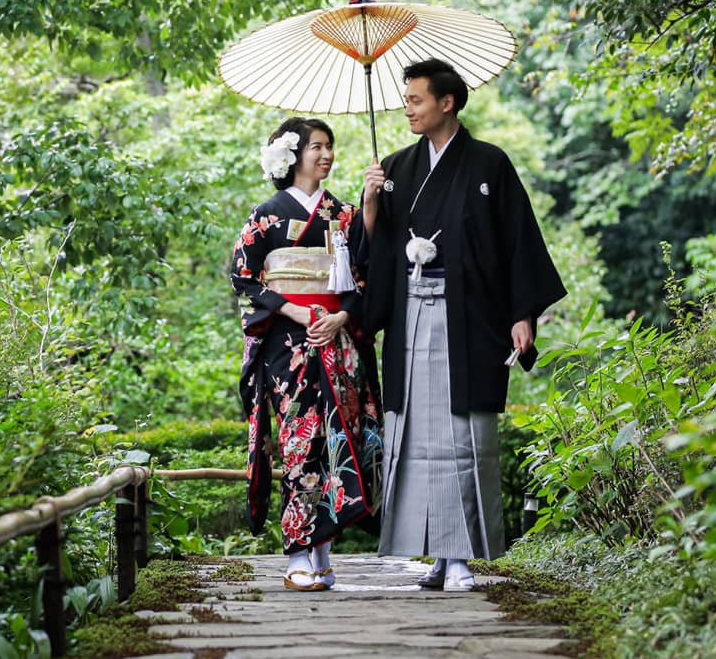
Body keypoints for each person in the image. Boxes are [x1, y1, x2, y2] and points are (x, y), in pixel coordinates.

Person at [358, 58, 566, 591]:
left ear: (447, 102)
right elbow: (376, 250)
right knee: (416, 437)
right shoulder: (397, 168)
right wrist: (371, 204)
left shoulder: (489, 165)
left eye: (416, 99)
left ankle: (462, 558)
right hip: (411, 316)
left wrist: (523, 315)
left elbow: (517, 242)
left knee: (461, 434)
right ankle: (435, 554)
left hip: (467, 319)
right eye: (405, 100)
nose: (407, 108)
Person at [230, 117, 382, 592]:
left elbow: (368, 275)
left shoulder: (346, 213)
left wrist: (343, 316)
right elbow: (243, 277)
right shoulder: (267, 215)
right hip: (289, 346)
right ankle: (297, 552)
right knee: (300, 441)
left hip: (337, 340)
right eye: (317, 146)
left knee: (339, 440)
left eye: (330, 146)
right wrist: (294, 310)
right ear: (292, 155)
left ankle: (323, 554)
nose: (326, 155)